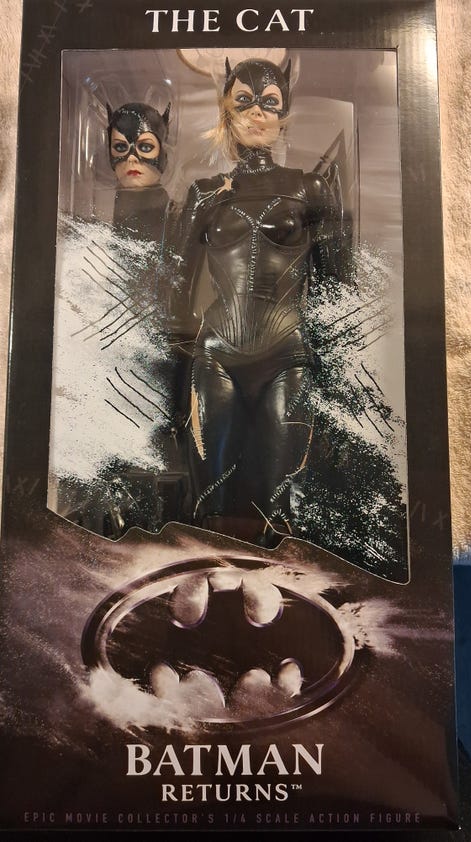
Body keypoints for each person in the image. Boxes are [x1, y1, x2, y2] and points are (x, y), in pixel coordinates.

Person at [179, 58, 341, 545]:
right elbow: (174, 289)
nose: (256, 113)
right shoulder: (204, 194)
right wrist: (163, 379)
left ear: (284, 112)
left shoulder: (311, 188)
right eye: (243, 101)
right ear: (226, 111)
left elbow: (338, 292)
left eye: (269, 102)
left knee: (279, 509)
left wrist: (341, 387)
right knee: (211, 508)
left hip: (287, 357)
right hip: (216, 356)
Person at [107, 101, 171, 243]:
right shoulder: (109, 209)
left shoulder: (174, 217)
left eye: (145, 147)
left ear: (163, 153)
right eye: (120, 147)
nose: (131, 158)